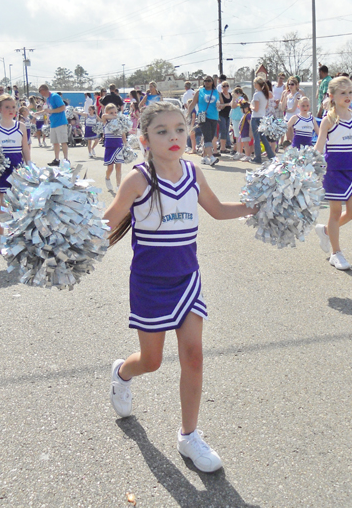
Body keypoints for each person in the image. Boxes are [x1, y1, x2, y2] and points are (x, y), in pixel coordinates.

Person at [103, 102, 256, 473]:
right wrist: (57, 239)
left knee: (194, 357)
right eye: (162, 131)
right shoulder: (138, 179)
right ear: (144, 139)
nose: (173, 137)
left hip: (188, 279)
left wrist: (259, 205)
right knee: (151, 362)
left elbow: (218, 210)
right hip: (150, 284)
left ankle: (189, 437)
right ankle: (122, 373)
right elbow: (104, 225)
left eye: (179, 129)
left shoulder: (193, 172)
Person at [313, 77, 352, 270]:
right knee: (335, 212)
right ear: (332, 96)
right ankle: (336, 253)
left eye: (350, 92)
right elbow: (319, 147)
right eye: (343, 93)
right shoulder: (328, 120)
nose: (348, 96)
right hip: (333, 171)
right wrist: (309, 164)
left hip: (351, 170)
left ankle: (326, 231)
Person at [0, 95, 30, 253]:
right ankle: (0, 237)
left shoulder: (21, 126)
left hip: (18, 168)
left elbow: (25, 147)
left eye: (13, 107)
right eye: (7, 107)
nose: (11, 110)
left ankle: (15, 236)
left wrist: (29, 165)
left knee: (18, 203)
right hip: (1, 169)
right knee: (4, 202)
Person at [187, 76, 220, 166]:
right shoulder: (199, 92)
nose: (207, 82)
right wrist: (187, 114)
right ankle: (211, 157)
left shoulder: (216, 92)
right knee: (207, 135)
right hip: (202, 115)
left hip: (214, 116)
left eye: (209, 81)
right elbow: (193, 103)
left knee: (210, 136)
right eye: (205, 81)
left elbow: (221, 104)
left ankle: (204, 157)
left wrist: (220, 106)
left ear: (212, 82)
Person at [39, 84, 68, 166]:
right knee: (55, 142)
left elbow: (62, 107)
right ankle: (57, 159)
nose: (41, 94)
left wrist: (51, 111)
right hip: (53, 123)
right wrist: (38, 113)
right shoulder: (48, 99)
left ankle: (66, 159)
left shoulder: (55, 96)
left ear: (44, 90)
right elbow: (47, 110)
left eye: (41, 92)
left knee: (63, 141)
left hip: (60, 122)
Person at [102, 104, 127, 193]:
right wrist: (115, 116)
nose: (114, 114)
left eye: (116, 112)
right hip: (110, 146)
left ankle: (118, 185)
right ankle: (107, 178)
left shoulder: (119, 121)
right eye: (111, 112)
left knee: (119, 167)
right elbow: (104, 116)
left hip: (118, 145)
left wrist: (125, 144)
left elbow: (123, 133)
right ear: (107, 112)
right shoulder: (106, 121)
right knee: (110, 168)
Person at [250, 76, 275, 164]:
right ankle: (271, 155)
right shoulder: (265, 94)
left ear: (257, 84)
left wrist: (250, 106)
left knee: (256, 138)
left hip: (256, 117)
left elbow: (255, 108)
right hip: (262, 117)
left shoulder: (256, 94)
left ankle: (257, 157)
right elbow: (266, 106)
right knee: (263, 138)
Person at [217, 80, 233, 155]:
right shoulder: (220, 94)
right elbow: (221, 105)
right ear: (221, 87)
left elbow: (232, 104)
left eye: (227, 86)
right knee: (223, 130)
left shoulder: (231, 95)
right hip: (221, 115)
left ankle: (224, 146)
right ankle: (222, 147)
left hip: (228, 115)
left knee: (226, 130)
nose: (225, 87)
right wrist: (228, 104)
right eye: (224, 86)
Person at [230, 88, 246, 159]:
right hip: (235, 119)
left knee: (238, 136)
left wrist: (234, 98)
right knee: (237, 136)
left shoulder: (240, 99)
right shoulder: (239, 99)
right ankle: (239, 151)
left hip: (238, 119)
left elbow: (233, 106)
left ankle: (240, 152)